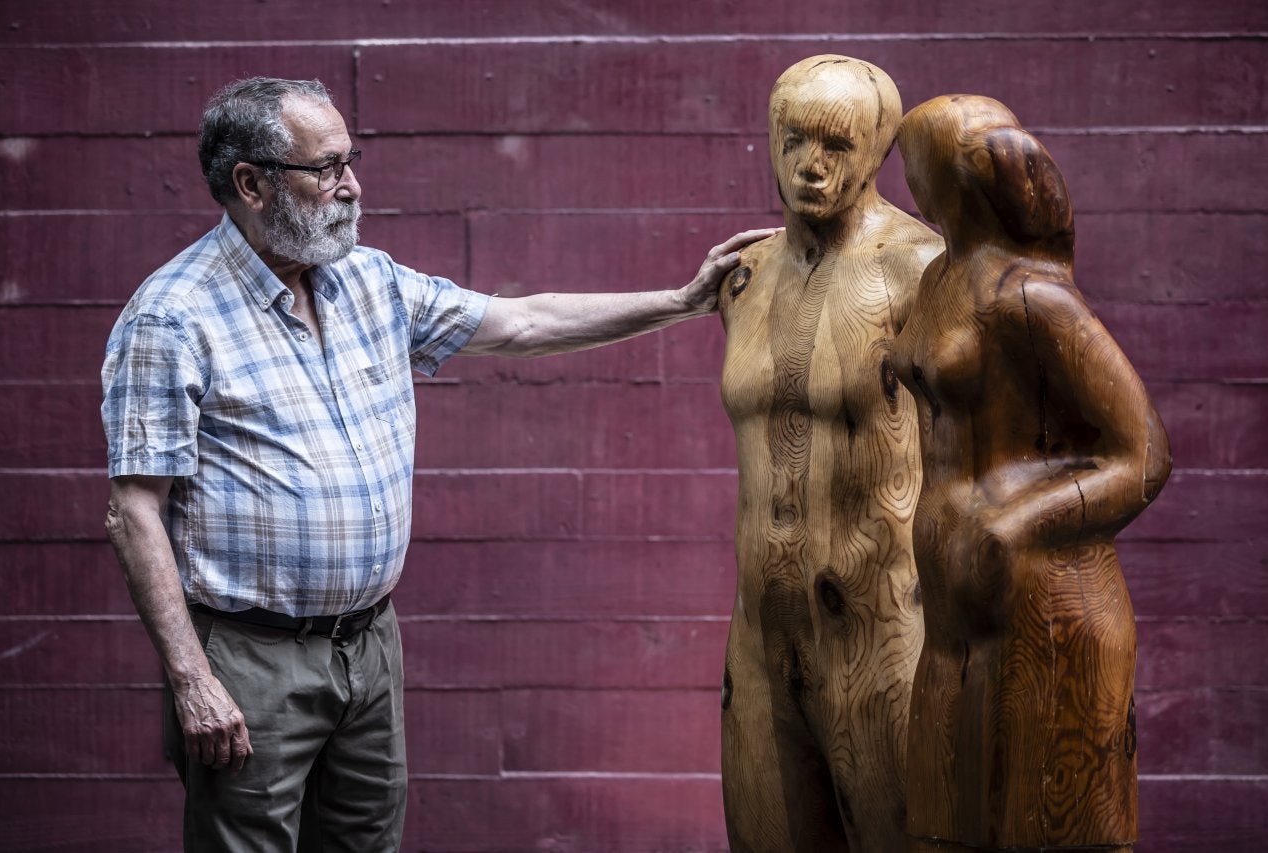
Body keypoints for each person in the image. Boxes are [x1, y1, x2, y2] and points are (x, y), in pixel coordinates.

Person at [100, 76, 772, 851]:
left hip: (368, 647)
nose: (352, 184)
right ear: (250, 184)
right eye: (326, 169)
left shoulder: (370, 282)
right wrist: (191, 678)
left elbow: (523, 322)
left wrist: (681, 299)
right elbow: (134, 509)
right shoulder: (172, 316)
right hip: (249, 661)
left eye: (350, 159)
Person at [890, 94, 1172, 851]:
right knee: (940, 829)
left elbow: (1143, 452)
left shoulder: (1033, 296)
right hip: (953, 620)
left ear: (941, 177)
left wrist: (1017, 524)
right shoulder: (939, 280)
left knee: (1049, 831)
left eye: (909, 163)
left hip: (1046, 611)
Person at [716, 55, 943, 851]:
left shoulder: (925, 271)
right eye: (795, 140)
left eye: (838, 145)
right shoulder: (742, 275)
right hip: (759, 636)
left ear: (878, 150)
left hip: (879, 630)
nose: (812, 164)